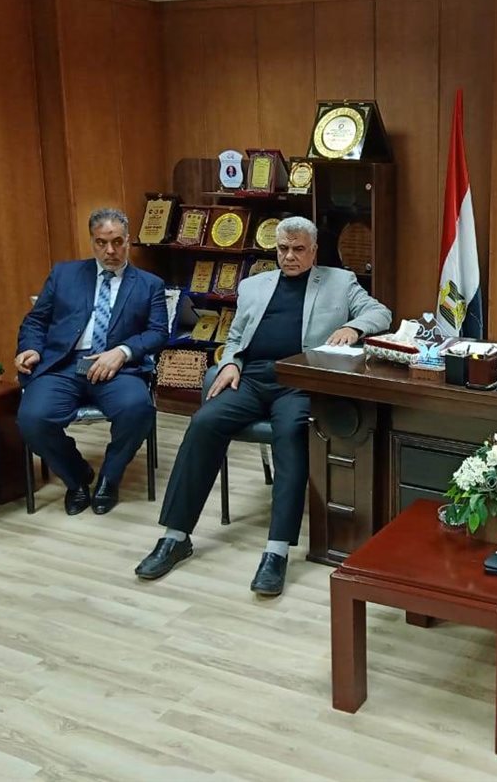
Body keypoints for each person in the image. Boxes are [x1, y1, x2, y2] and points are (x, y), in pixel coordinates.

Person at [134, 216, 392, 595]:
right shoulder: (253, 285)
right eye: (283, 249)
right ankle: (175, 537)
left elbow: (381, 313)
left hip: (299, 384)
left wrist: (353, 327)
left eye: (298, 249)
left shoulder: (339, 281)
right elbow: (235, 336)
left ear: (314, 251)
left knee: (290, 434)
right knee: (204, 423)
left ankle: (276, 551)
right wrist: (230, 363)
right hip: (251, 379)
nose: (289, 256)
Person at [15, 208, 167, 516]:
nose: (110, 251)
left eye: (117, 242)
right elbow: (36, 321)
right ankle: (76, 476)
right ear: (92, 242)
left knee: (137, 409)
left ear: (128, 241)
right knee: (32, 418)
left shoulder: (149, 284)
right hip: (64, 365)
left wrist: (122, 351)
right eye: (101, 242)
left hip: (118, 369)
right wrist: (31, 348)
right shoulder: (64, 274)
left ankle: (109, 478)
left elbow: (158, 332)